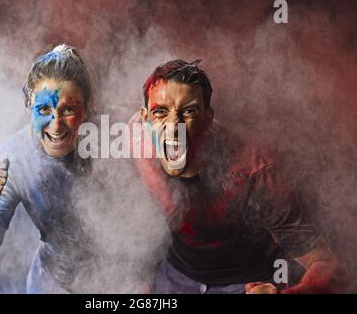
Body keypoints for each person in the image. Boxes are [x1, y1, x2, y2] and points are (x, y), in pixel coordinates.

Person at [130, 59, 346, 294]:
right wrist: (139, 279)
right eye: (160, 112)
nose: (173, 127)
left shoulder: (253, 173)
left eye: (189, 111)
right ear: (145, 118)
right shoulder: (137, 139)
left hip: (244, 283)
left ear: (208, 118)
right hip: (175, 276)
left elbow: (328, 266)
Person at [0, 44, 94, 293]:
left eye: (68, 110)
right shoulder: (14, 156)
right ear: (29, 106)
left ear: (87, 109)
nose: (56, 126)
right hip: (52, 281)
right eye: (44, 109)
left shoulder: (116, 140)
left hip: (118, 280)